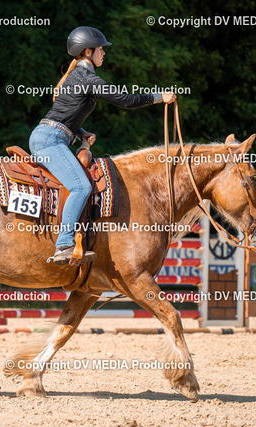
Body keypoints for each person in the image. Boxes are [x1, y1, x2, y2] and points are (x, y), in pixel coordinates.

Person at [29, 26, 176, 265]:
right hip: (50, 140)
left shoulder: (77, 76)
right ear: (88, 52)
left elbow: (63, 115)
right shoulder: (86, 78)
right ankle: (64, 245)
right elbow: (125, 100)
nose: (104, 53)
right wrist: (159, 97)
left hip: (50, 136)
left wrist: (81, 133)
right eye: (101, 49)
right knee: (81, 187)